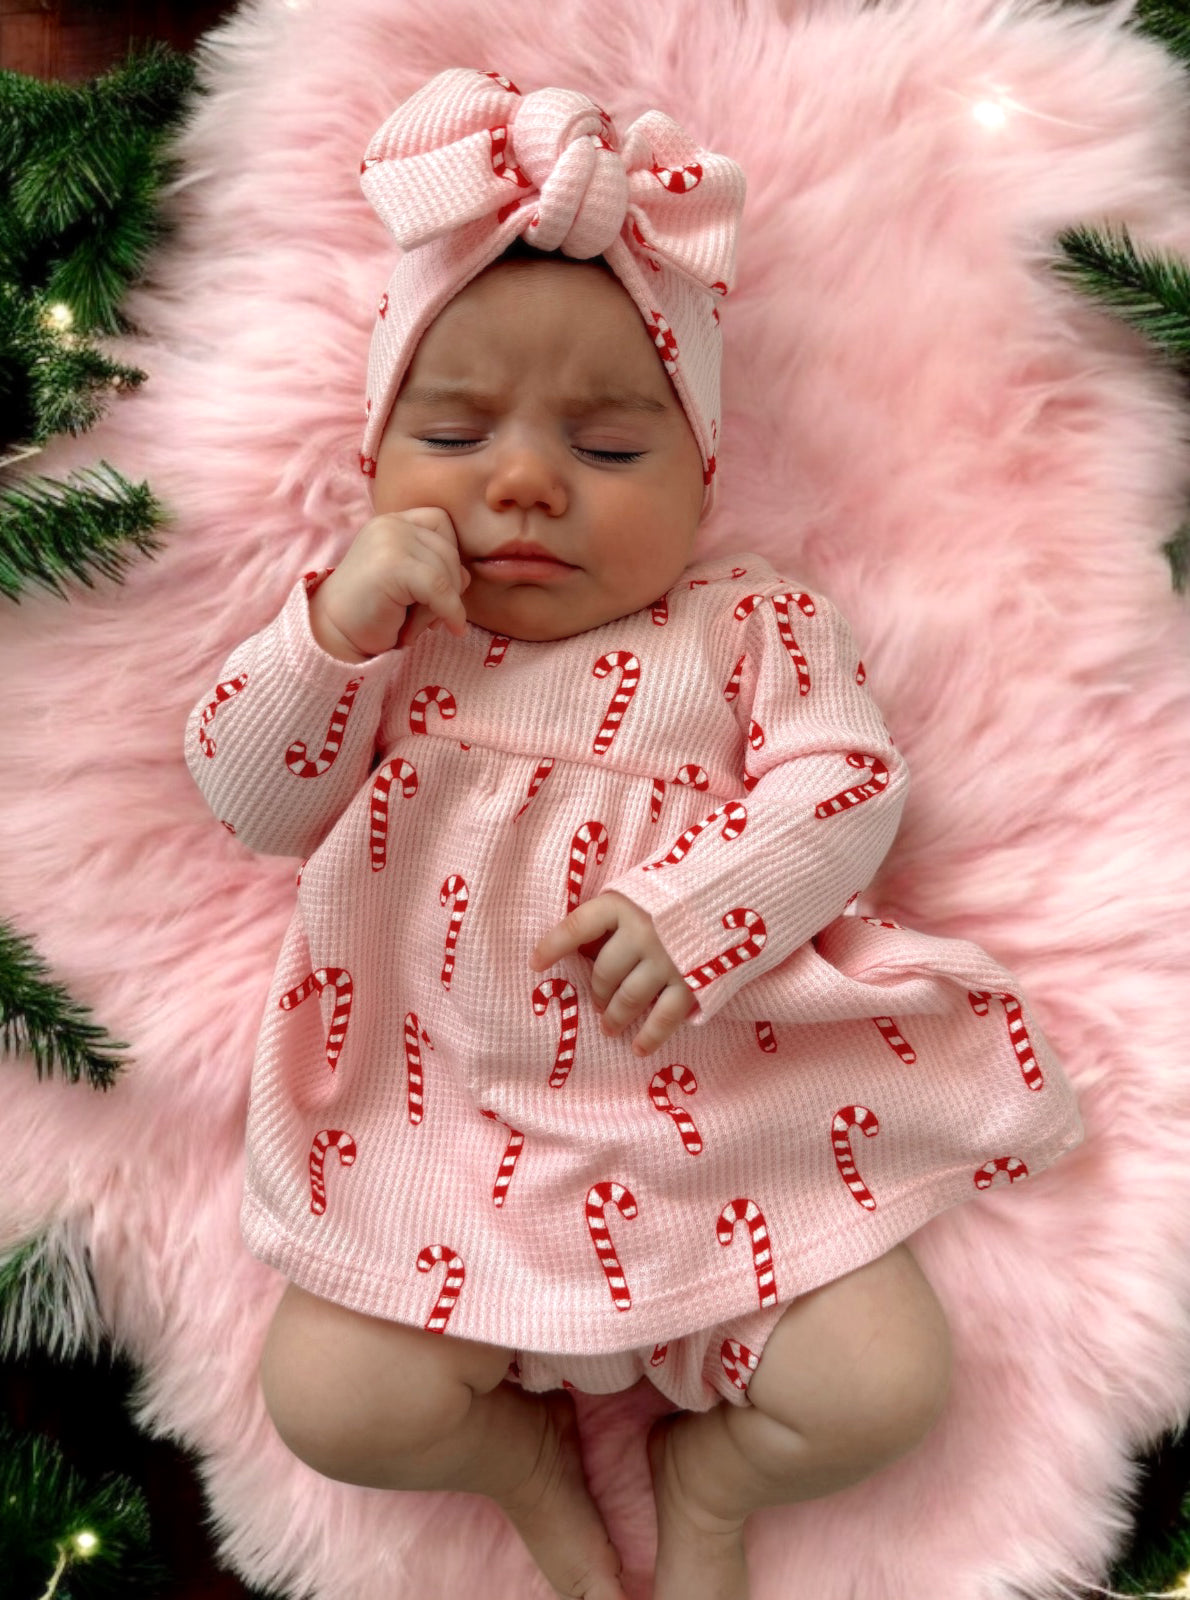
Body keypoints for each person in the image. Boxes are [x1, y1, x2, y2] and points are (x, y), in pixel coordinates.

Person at [184, 67, 1084, 1600]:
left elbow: (844, 785)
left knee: (883, 1383)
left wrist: (697, 904)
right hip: (435, 1146)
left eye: (606, 452)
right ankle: (521, 1465)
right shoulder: (390, 630)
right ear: (377, 457)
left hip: (714, 1138)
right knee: (329, 1401)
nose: (525, 483)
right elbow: (249, 802)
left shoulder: (745, 623)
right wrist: (330, 631)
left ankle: (712, 1485)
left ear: (701, 476)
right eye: (456, 432)